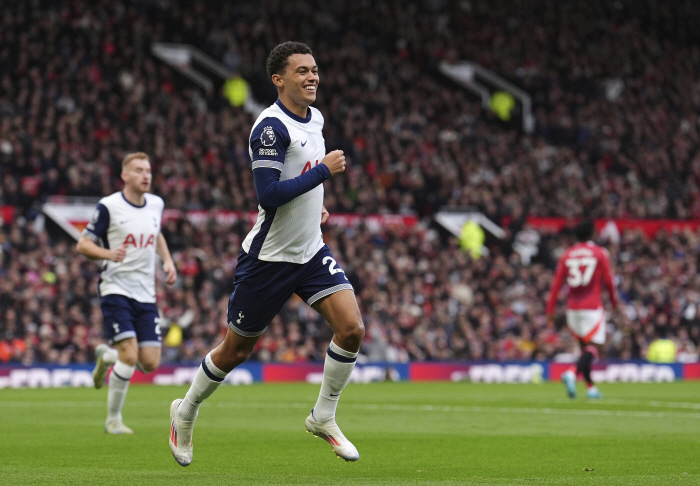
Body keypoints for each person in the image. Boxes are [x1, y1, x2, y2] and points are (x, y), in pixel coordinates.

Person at [168, 41, 365, 467]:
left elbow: (300, 181)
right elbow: (269, 194)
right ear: (279, 80)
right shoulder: (270, 128)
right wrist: (322, 174)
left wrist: (318, 202)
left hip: (310, 250)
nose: (312, 77)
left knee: (351, 329)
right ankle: (185, 411)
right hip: (269, 258)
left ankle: (323, 417)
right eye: (301, 72)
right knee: (235, 351)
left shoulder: (316, 119)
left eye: (314, 69)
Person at [77, 152, 177, 433]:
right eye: (138, 170)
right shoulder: (109, 206)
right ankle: (113, 421)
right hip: (116, 288)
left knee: (149, 363)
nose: (146, 175)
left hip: (146, 293)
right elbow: (83, 244)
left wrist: (167, 261)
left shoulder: (156, 204)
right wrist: (109, 253)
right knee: (130, 357)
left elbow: (156, 233)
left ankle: (107, 357)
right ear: (124, 176)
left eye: (148, 170)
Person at [546, 219, 617, 399]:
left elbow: (555, 286)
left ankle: (590, 388)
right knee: (596, 348)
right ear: (592, 234)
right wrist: (615, 305)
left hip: (572, 309)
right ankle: (571, 372)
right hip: (592, 307)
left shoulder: (567, 254)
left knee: (585, 349)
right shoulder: (600, 253)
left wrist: (550, 311)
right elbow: (609, 282)